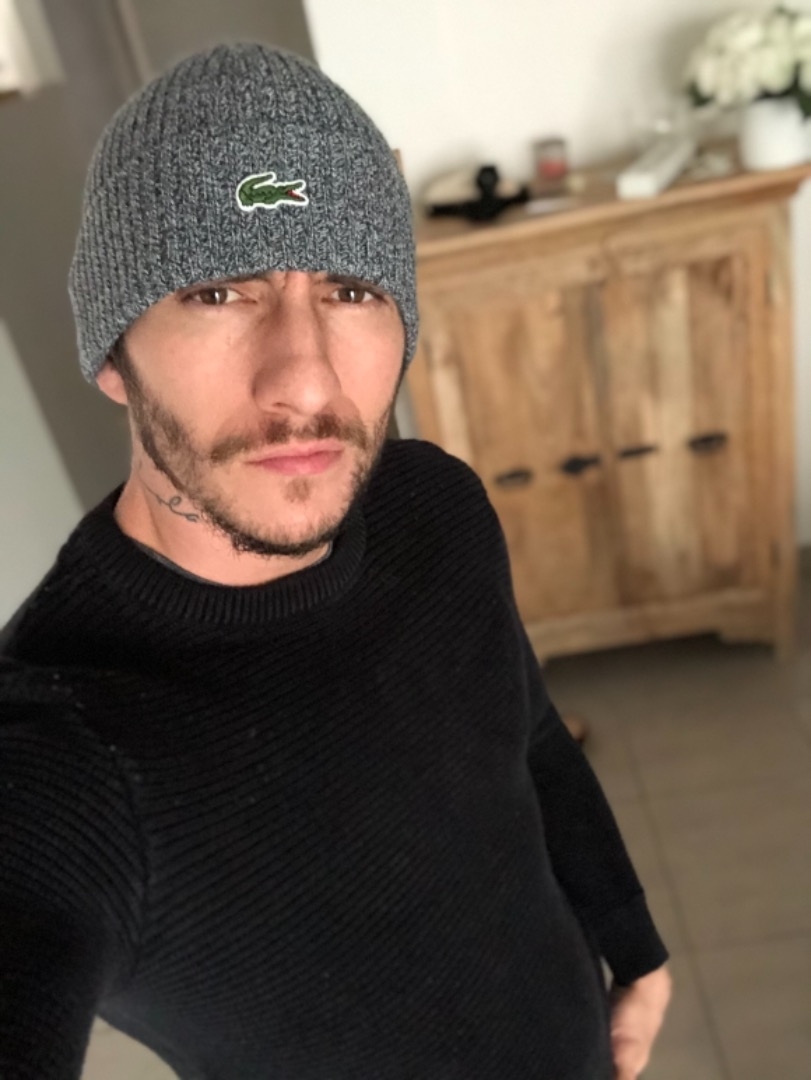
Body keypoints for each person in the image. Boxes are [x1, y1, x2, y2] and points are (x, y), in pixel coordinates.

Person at [0, 42, 671, 1080]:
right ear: (113, 354)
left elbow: (526, 731)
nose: (306, 381)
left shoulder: (434, 507)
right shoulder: (65, 748)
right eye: (218, 291)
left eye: (351, 288)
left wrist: (630, 938)